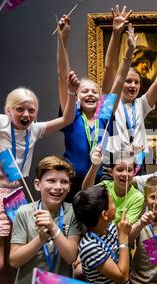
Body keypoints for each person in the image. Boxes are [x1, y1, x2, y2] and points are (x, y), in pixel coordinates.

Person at [0, 37, 79, 284]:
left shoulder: (35, 129)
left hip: (17, 197)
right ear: (9, 109)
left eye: (31, 110)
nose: (26, 115)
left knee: (12, 263)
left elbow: (67, 118)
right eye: (20, 110)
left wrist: (72, 93)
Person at [56, 10, 136, 200]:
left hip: (100, 181)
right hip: (71, 182)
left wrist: (129, 53)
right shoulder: (71, 114)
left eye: (95, 91)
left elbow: (118, 79)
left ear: (101, 98)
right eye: (85, 91)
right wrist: (63, 40)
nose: (90, 94)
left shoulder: (105, 114)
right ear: (76, 97)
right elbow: (62, 76)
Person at [105, 30, 157, 172]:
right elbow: (110, 68)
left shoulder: (140, 104)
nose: (133, 85)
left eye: (136, 82)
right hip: (114, 166)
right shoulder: (110, 104)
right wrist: (128, 52)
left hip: (136, 166)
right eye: (128, 81)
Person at [9, 156, 83, 284]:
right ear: (38, 184)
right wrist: (40, 239)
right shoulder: (24, 212)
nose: (58, 187)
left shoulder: (72, 212)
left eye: (64, 182)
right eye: (51, 181)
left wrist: (54, 229)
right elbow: (14, 260)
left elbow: (70, 257)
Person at [73, 185, 133, 284]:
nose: (115, 206)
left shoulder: (109, 227)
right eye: (112, 203)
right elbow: (122, 277)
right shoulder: (90, 246)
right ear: (104, 215)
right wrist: (123, 237)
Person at [82, 146, 144, 225]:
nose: (125, 174)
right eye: (120, 170)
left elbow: (124, 228)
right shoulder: (105, 187)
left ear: (134, 173)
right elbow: (86, 192)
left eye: (129, 170)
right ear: (111, 172)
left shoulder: (137, 197)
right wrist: (94, 167)